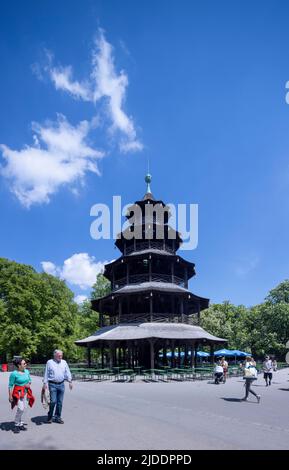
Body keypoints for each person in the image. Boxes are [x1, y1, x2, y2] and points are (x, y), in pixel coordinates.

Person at [42, 349, 73, 424]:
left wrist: (70, 381)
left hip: (61, 384)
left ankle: (57, 417)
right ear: (55, 355)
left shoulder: (64, 362)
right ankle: (50, 415)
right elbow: (46, 372)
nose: (60, 356)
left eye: (61, 355)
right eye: (59, 355)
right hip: (52, 384)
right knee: (53, 401)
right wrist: (44, 383)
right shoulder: (49, 362)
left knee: (60, 402)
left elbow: (67, 371)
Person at [8, 357, 35, 433]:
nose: (26, 364)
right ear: (19, 365)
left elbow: (29, 380)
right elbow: (10, 385)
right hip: (18, 392)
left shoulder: (27, 371)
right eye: (24, 364)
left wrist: (29, 384)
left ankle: (21, 423)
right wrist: (10, 396)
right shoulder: (14, 374)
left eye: (25, 363)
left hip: (26, 392)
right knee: (20, 408)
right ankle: (16, 424)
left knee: (25, 408)